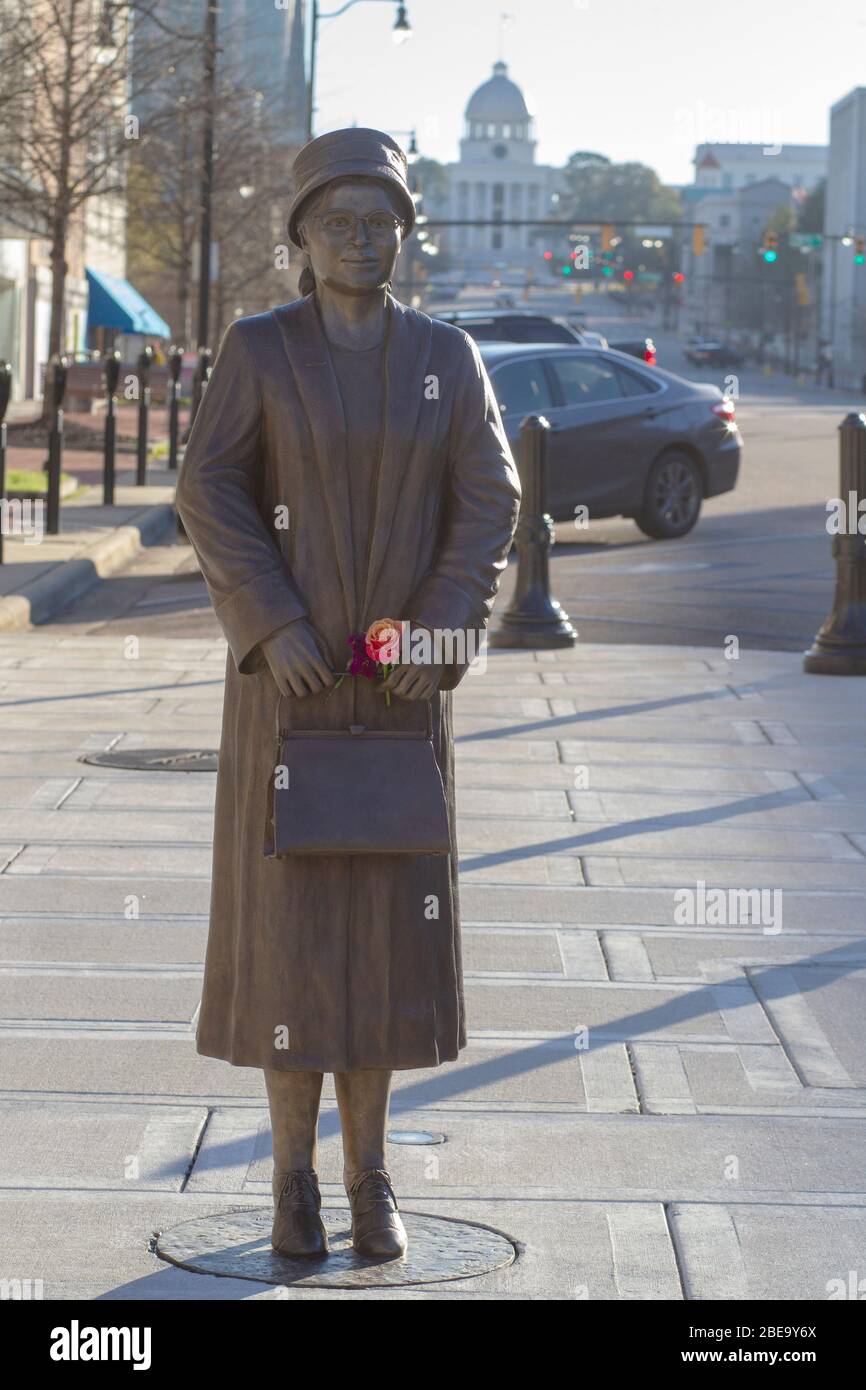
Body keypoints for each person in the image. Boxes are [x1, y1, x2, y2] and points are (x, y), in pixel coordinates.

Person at [175, 128, 521, 1262]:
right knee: (293, 946)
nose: (361, 240)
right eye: (339, 223)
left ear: (404, 234)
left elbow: (487, 498)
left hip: (397, 694)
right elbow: (210, 486)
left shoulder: (445, 356)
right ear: (301, 236)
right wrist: (269, 622)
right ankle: (289, 1183)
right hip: (291, 696)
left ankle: (370, 1179)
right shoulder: (261, 349)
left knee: (380, 940)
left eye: (380, 222)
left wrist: (441, 617)